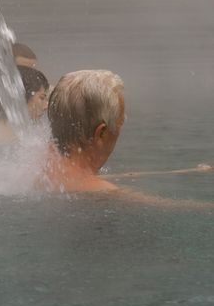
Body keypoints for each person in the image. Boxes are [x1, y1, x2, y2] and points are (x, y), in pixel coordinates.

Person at [40, 70, 213, 208]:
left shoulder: (37, 173)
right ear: (101, 133)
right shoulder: (104, 195)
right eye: (121, 121)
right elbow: (169, 207)